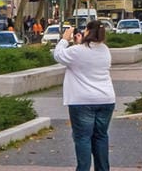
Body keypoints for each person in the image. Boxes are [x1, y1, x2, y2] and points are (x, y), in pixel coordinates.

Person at [55, 20, 115, 171]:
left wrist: (64, 39)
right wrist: (79, 44)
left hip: (82, 101)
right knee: (100, 136)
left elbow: (59, 55)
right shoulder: (105, 50)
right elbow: (86, 57)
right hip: (106, 99)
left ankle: (83, 168)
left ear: (88, 32)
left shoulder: (78, 51)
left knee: (83, 138)